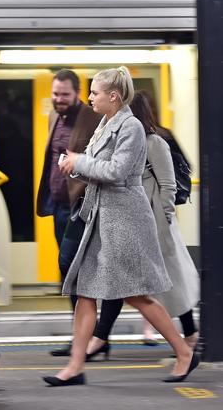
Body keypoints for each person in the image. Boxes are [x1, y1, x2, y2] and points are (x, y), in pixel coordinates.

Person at [42, 66, 199, 387]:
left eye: (95, 93)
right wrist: (74, 166)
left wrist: (79, 162)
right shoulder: (106, 122)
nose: (90, 98)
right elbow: (96, 168)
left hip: (125, 221)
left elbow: (117, 171)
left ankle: (184, 352)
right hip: (101, 218)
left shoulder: (131, 128)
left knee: (137, 295)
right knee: (85, 293)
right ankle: (75, 366)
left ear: (113, 96)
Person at [82, 91, 200, 360]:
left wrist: (165, 218)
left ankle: (189, 336)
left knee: (168, 280)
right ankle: (101, 337)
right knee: (120, 276)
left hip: (155, 221)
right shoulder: (123, 140)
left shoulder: (155, 141)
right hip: (129, 218)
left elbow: (169, 184)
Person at [36, 69, 101, 357]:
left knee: (76, 272)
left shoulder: (94, 120)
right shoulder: (54, 117)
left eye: (64, 94)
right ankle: (83, 338)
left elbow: (103, 162)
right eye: (55, 94)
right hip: (58, 206)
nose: (59, 99)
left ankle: (91, 338)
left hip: (81, 207)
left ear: (77, 93)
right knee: (68, 273)